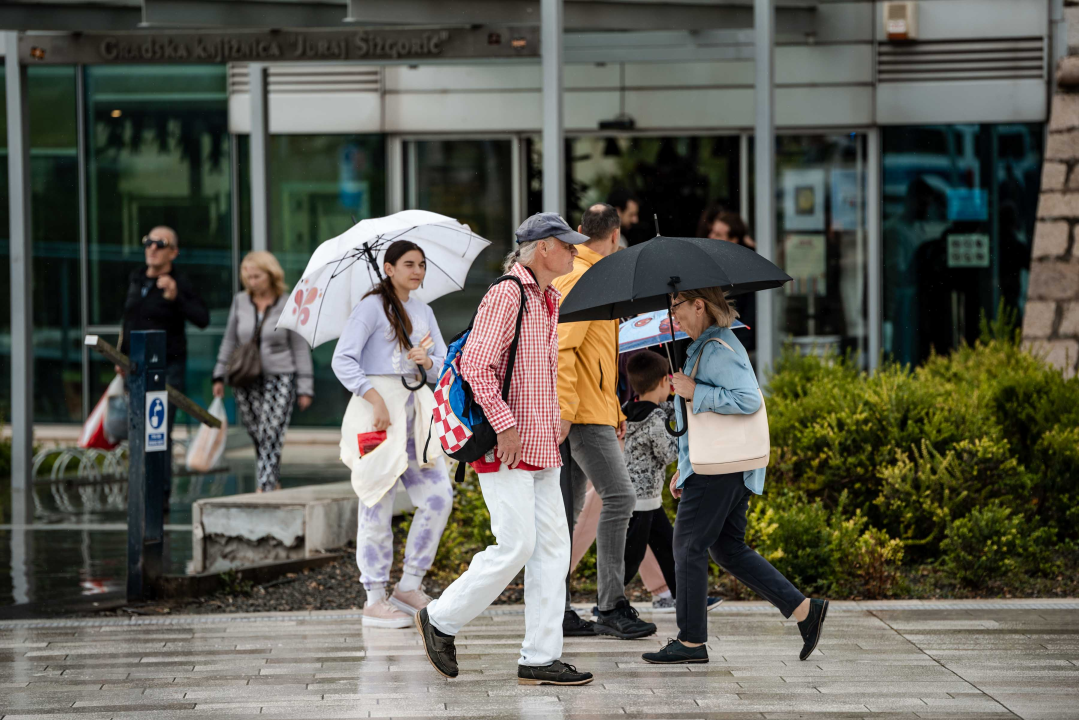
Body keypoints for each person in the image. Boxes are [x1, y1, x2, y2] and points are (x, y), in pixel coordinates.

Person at [418, 213, 594, 687]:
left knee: (553, 552)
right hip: (506, 444)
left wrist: (551, 420)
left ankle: (540, 657)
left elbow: (534, 372)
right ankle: (440, 618)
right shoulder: (508, 293)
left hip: (541, 445)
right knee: (516, 544)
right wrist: (506, 425)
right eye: (567, 244)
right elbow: (476, 366)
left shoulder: (548, 298)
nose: (574, 251)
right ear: (543, 248)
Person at [642, 286, 828, 665]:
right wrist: (685, 468)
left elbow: (747, 399)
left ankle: (691, 642)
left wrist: (695, 390)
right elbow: (702, 424)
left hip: (721, 469)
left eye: (677, 306)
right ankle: (804, 609)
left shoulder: (716, 349)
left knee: (688, 546)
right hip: (720, 465)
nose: (673, 315)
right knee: (727, 549)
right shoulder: (705, 347)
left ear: (699, 305)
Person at [332, 240, 453, 629]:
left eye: (422, 265)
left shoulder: (423, 311)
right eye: (408, 264)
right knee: (376, 501)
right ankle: (373, 598)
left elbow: (444, 365)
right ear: (388, 268)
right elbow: (342, 359)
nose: (417, 271)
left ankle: (409, 585)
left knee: (438, 497)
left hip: (415, 418)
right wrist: (374, 398)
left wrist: (427, 360)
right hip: (378, 419)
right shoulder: (370, 308)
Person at [554, 203, 656, 641]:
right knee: (620, 497)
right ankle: (611, 605)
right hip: (581, 415)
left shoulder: (580, 275)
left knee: (564, 512)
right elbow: (563, 351)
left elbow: (595, 358)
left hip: (587, 411)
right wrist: (566, 412)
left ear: (581, 230)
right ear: (615, 236)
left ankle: (557, 610)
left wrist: (615, 410)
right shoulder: (586, 279)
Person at [620, 350, 722, 613]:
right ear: (663, 381)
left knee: (667, 547)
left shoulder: (627, 409)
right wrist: (680, 438)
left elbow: (665, 409)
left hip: (644, 499)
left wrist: (679, 405)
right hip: (642, 502)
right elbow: (667, 454)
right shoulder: (655, 419)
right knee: (631, 556)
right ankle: (609, 600)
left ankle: (687, 599)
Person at [118, 226, 209, 510]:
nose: (152, 248)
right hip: (135, 367)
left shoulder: (179, 282)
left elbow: (202, 318)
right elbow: (128, 320)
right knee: (137, 431)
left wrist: (176, 296)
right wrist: (121, 356)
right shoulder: (136, 278)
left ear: (173, 252)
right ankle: (139, 492)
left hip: (167, 367)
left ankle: (160, 496)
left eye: (160, 243)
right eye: (148, 242)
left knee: (157, 431)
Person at [212, 252, 314, 493]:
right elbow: (229, 340)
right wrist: (219, 375)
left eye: (257, 276)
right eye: (248, 277)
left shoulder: (289, 303)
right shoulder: (240, 302)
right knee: (258, 434)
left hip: (280, 376)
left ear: (271, 275)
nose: (252, 282)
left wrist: (305, 387)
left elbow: (299, 347)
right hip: (244, 377)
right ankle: (273, 482)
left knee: (271, 431)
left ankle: (264, 487)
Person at [697, 206, 757, 355]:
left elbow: (748, 315)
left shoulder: (746, 270)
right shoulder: (706, 266)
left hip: (736, 349)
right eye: (712, 231)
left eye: (718, 234)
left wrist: (737, 350)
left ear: (733, 240)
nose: (711, 237)